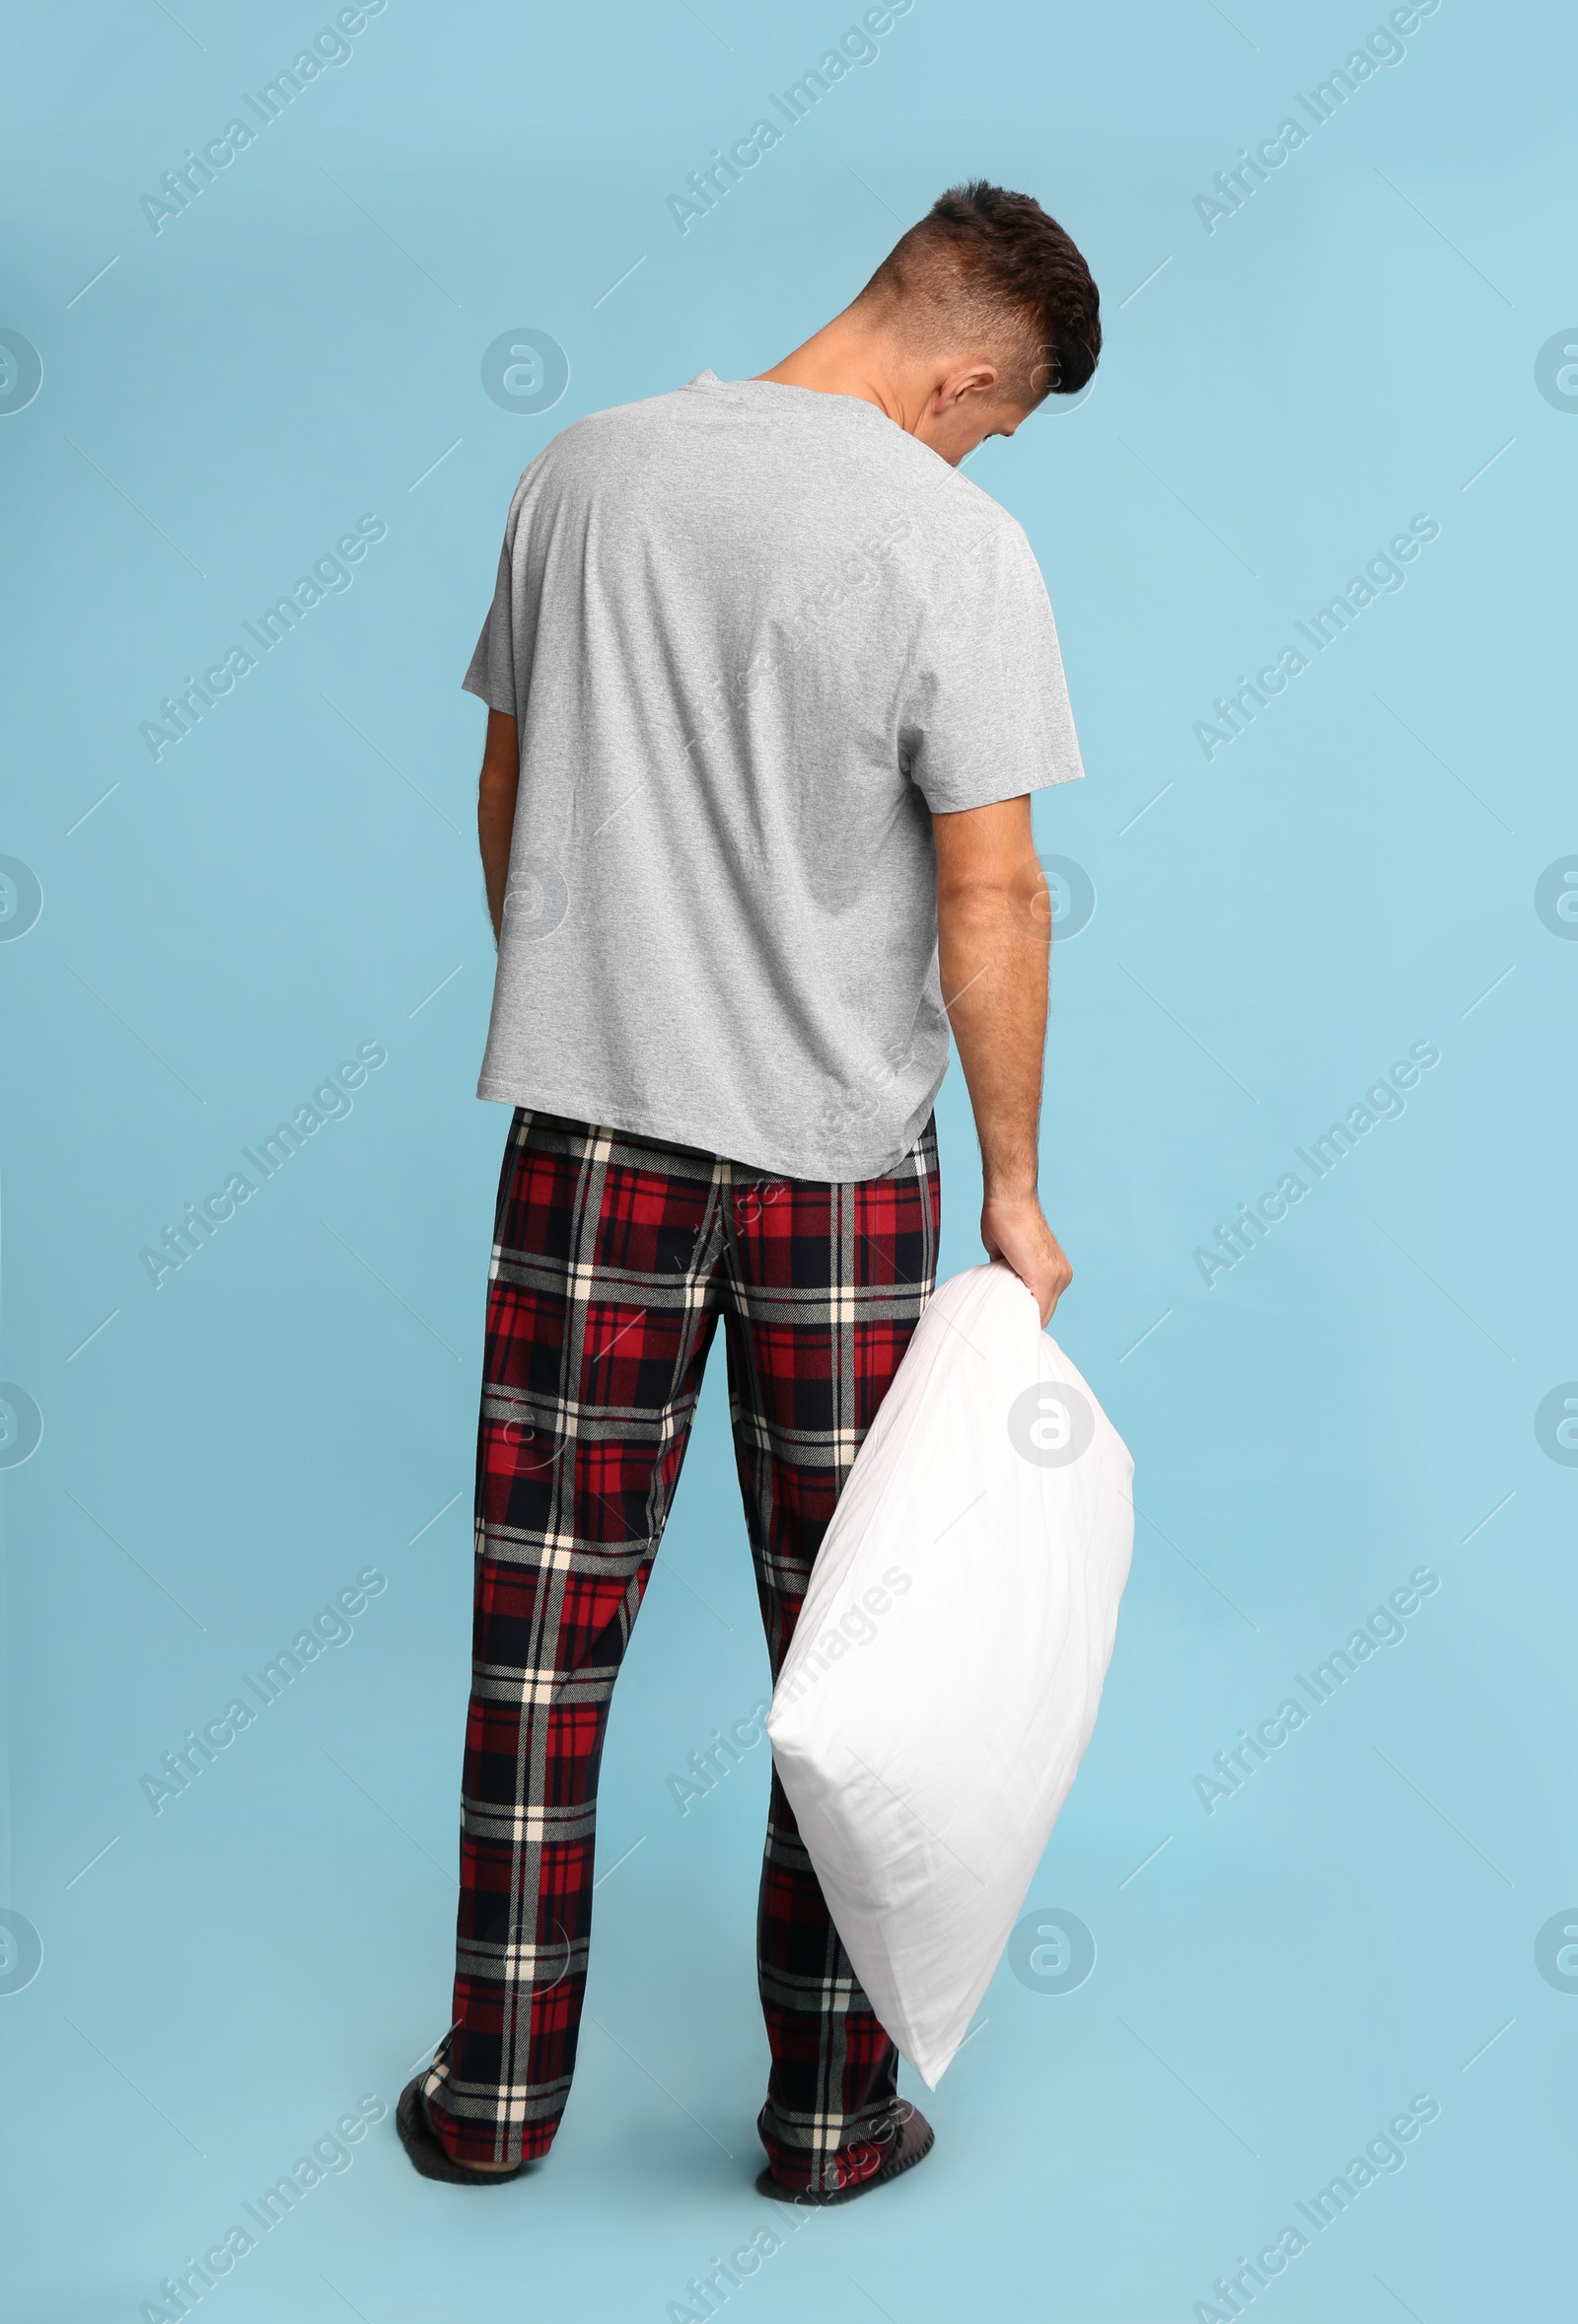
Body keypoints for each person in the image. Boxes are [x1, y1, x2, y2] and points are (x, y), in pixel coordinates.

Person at [396, 180, 1100, 2203]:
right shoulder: (953, 544)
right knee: (849, 1652)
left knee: (538, 1637)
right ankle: (827, 2116)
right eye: (993, 417)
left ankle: (493, 2101)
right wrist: (1019, 1185)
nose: (974, 449)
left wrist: (590, 999)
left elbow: (508, 781)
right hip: (837, 1181)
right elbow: (992, 885)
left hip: (588, 1147)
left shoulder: (585, 470)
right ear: (968, 367)